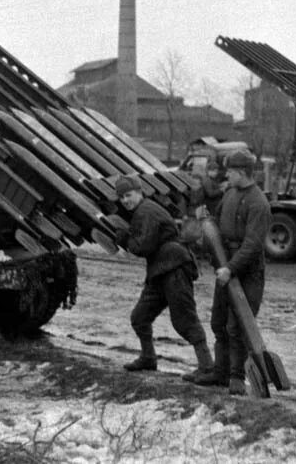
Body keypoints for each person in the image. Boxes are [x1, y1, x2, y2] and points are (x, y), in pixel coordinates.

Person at [114, 175, 214, 380]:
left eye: (128, 195)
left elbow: (143, 246)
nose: (125, 200)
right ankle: (148, 357)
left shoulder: (146, 212)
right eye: (122, 197)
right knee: (140, 317)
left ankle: (207, 367)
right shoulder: (142, 211)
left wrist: (125, 239)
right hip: (160, 269)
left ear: (139, 192)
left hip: (174, 267)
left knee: (184, 319)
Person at [195, 150, 271, 395]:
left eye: (230, 171)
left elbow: (252, 244)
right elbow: (217, 224)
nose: (226, 175)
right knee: (219, 321)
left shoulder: (259, 203)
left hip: (246, 272)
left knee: (237, 326)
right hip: (225, 265)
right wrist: (205, 226)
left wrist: (230, 268)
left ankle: (237, 378)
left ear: (241, 172)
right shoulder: (229, 194)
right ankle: (220, 372)